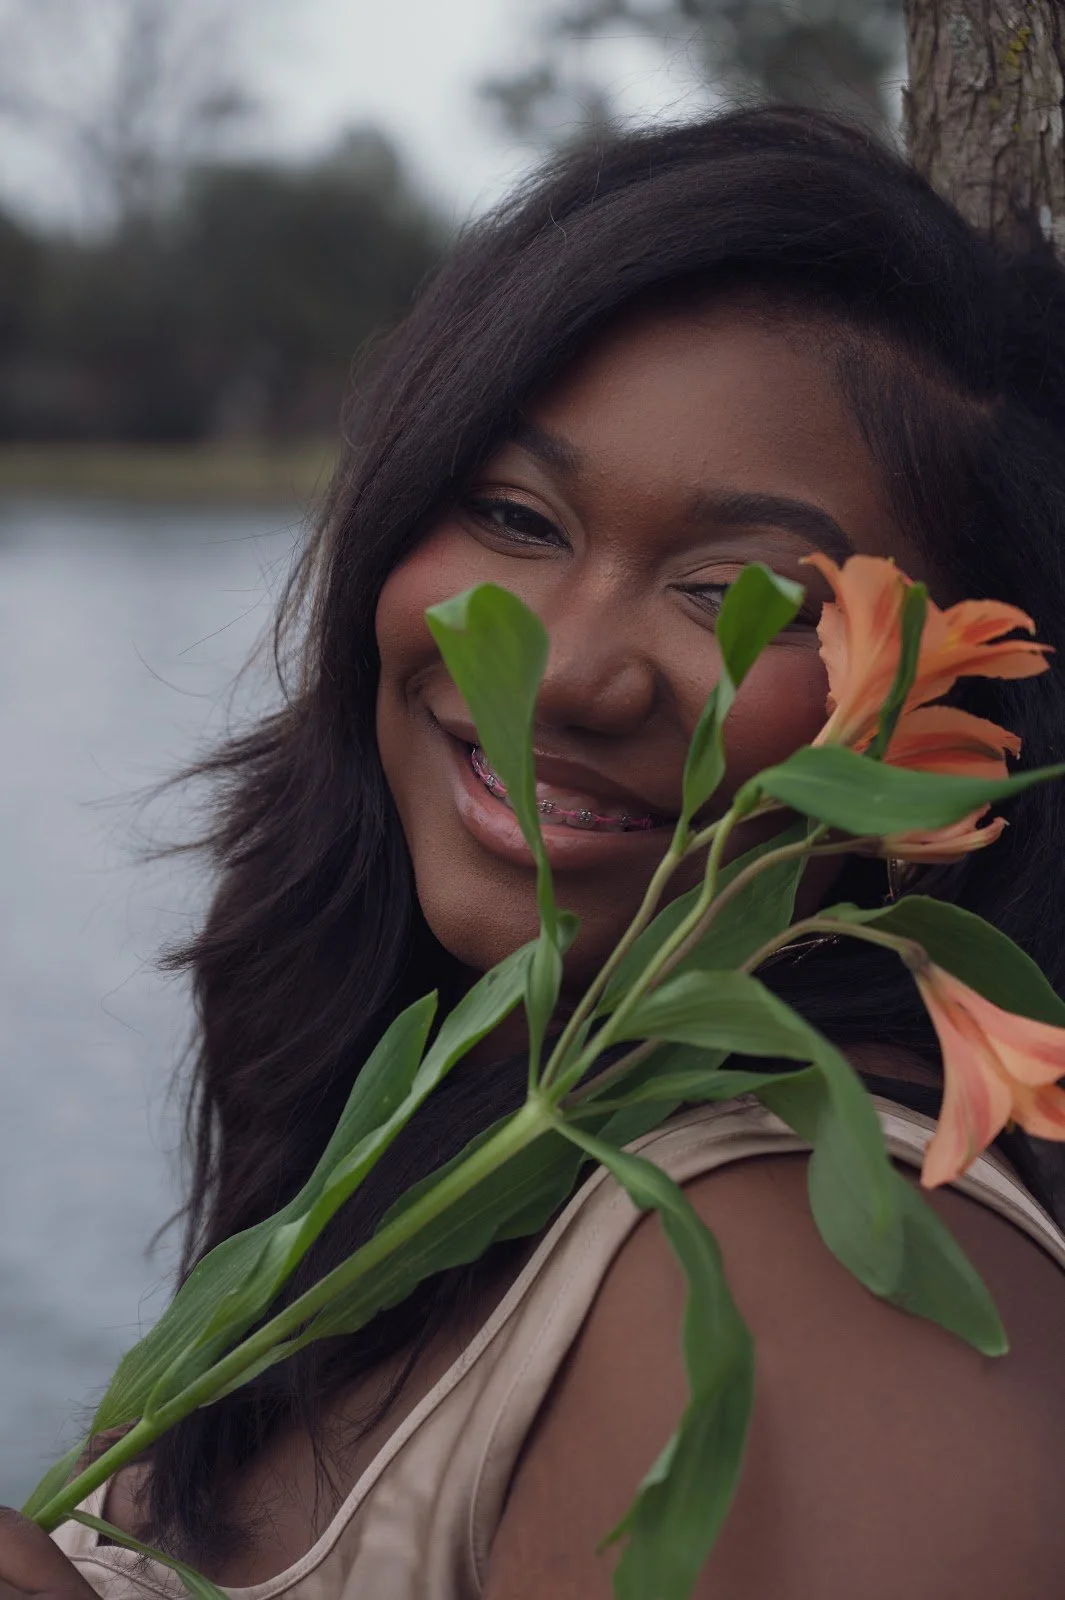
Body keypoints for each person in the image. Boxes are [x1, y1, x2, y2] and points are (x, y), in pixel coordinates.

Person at [7, 105, 1065, 1600]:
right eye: (513, 513)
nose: (567, 673)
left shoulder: (813, 1279)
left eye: (733, 596)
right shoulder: (465, 1108)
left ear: (954, 736)